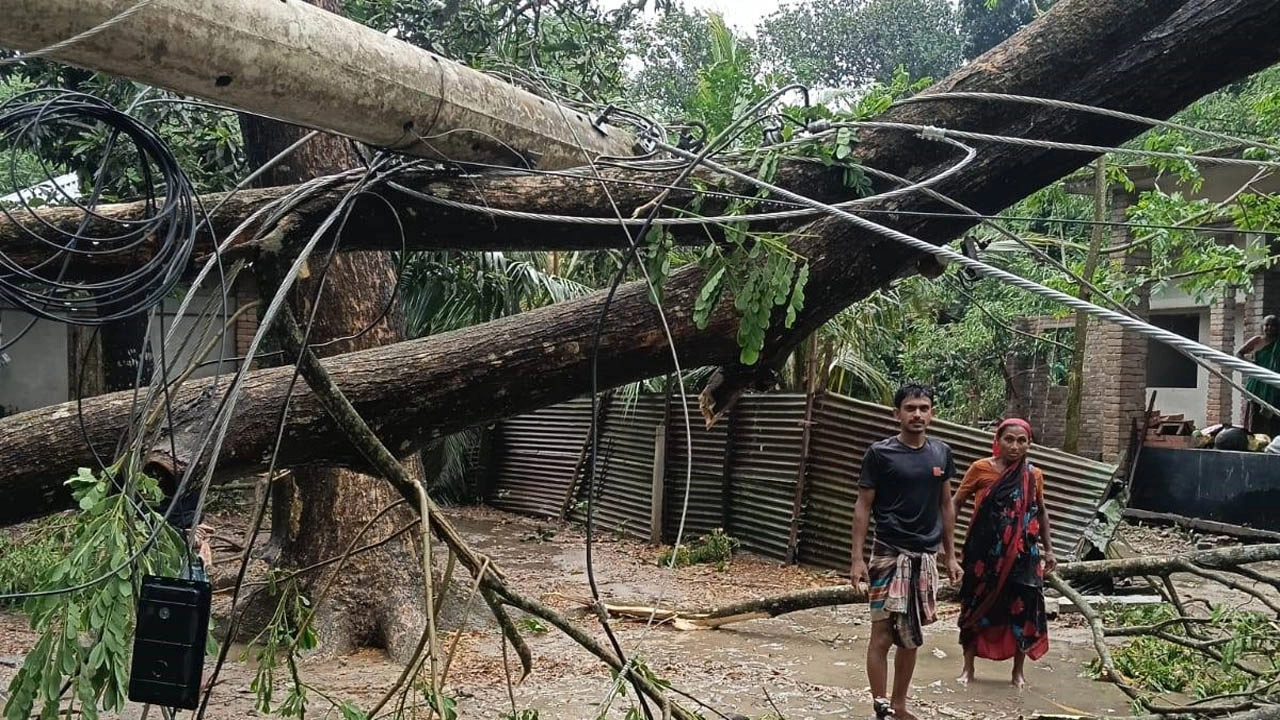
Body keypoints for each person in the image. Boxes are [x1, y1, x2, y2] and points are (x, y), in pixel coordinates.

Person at [851, 382, 961, 720]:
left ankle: (899, 705)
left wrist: (951, 554)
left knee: (911, 636)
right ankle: (880, 705)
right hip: (888, 553)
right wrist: (857, 559)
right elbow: (863, 506)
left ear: (932, 414)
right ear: (896, 413)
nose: (917, 414)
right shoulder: (880, 454)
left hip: (925, 557)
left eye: (924, 408)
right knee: (882, 633)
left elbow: (946, 504)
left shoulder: (941, 453)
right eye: (910, 408)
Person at [952, 418, 1058, 689]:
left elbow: (1041, 511)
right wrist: (948, 548)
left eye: (1021, 441)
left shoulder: (1033, 475)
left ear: (1029, 444)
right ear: (997, 441)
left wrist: (1049, 550)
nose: (1015, 446)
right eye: (1009, 439)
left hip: (1024, 557)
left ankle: (1017, 673)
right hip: (983, 557)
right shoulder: (980, 469)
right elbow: (956, 503)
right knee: (975, 607)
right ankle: (968, 668)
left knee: (1022, 609)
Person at [1239, 314, 1280, 438]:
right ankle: (1253, 441)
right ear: (1262, 326)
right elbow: (1239, 353)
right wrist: (1250, 365)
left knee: (1274, 417)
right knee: (1255, 416)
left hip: (1274, 385)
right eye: (1267, 325)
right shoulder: (1257, 341)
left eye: (1273, 325)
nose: (1269, 328)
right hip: (1257, 384)